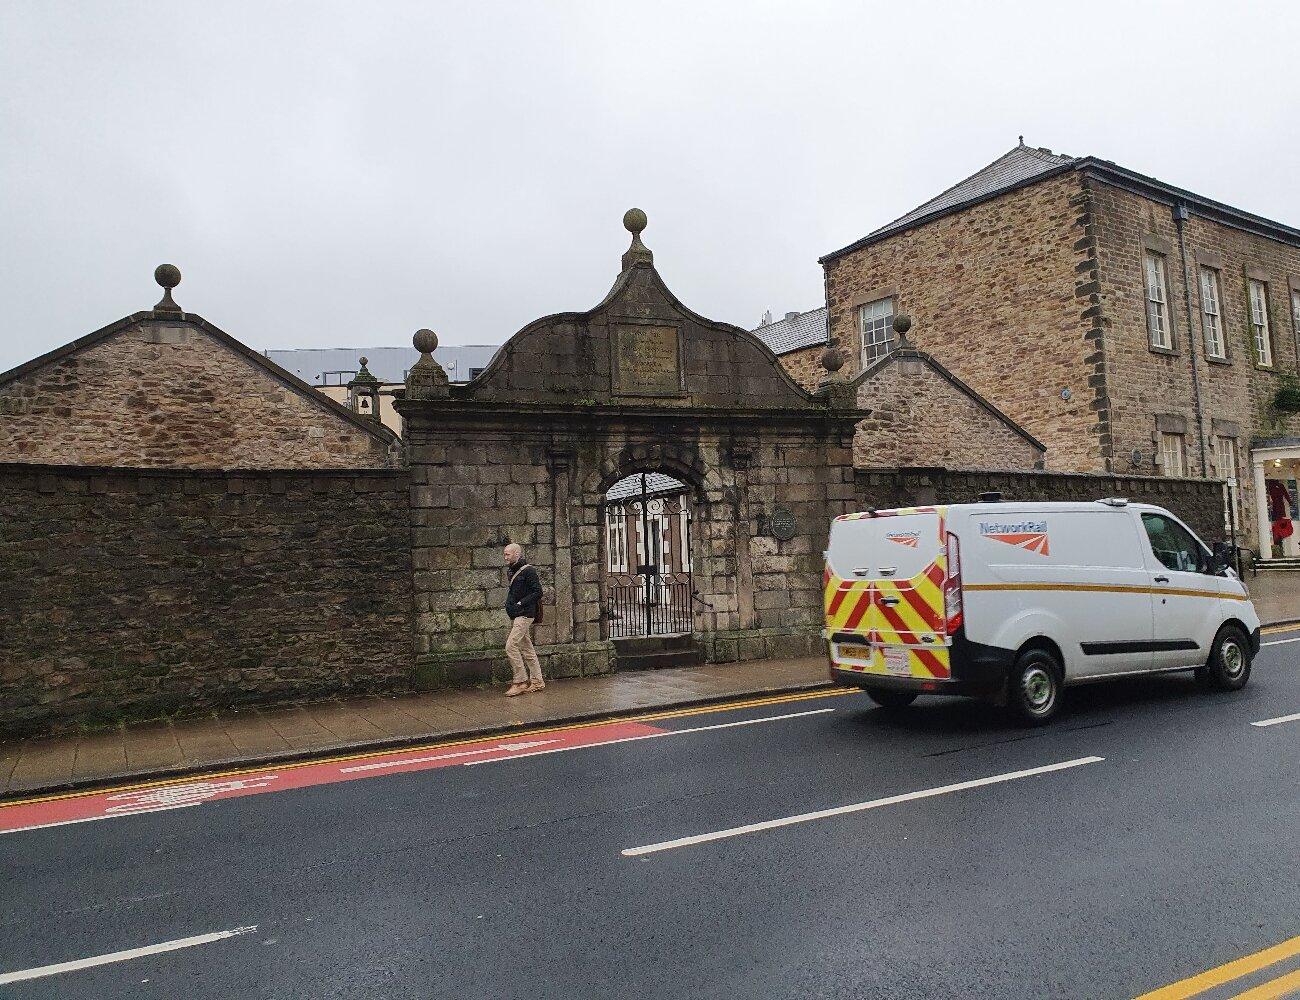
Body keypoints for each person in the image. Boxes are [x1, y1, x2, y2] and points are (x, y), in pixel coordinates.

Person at [503, 543, 544, 696]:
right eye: (505, 554)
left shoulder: (529, 571)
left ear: (517, 554)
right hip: (517, 615)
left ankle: (520, 681)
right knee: (527, 650)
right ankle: (537, 681)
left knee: (510, 646)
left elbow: (538, 592)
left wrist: (520, 603)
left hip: (525, 614)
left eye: (508, 554)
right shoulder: (511, 570)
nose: (505, 557)